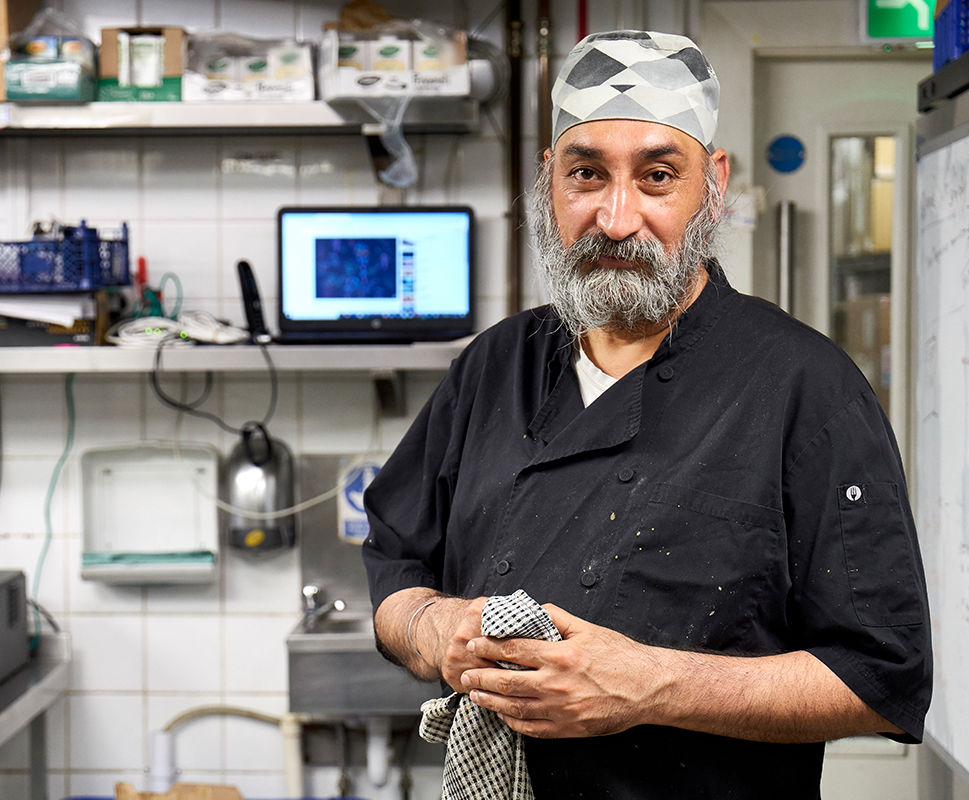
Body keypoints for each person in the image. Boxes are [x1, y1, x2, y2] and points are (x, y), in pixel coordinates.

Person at [361, 30, 931, 799]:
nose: (617, 217)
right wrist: (434, 631)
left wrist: (651, 684)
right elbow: (396, 563)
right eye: (586, 174)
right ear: (548, 182)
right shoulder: (493, 366)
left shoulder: (805, 386)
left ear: (714, 183)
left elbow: (878, 678)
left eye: (658, 175)